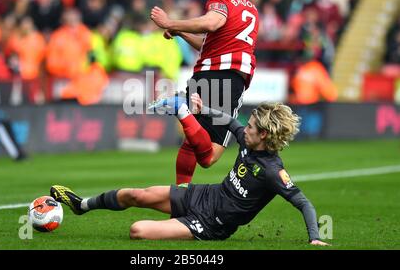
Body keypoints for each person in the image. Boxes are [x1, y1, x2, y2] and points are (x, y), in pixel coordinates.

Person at [50, 97, 329, 245]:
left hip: (211, 225)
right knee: (136, 194)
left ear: (265, 136)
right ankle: (81, 205)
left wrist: (315, 237)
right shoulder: (247, 139)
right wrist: (202, 108)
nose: (246, 129)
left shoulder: (272, 171)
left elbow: (304, 203)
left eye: (253, 127)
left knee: (137, 231)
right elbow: (231, 121)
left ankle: (181, 225)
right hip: (203, 196)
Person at [149, 0, 260, 184]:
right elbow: (210, 33)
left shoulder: (220, 1)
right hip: (231, 77)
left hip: (205, 76)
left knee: (192, 144)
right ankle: (181, 109)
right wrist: (176, 28)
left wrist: (171, 23)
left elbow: (210, 28)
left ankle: (180, 195)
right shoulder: (252, 9)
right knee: (209, 157)